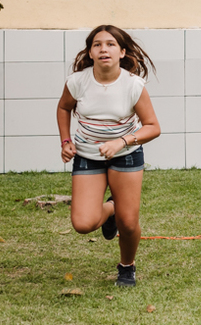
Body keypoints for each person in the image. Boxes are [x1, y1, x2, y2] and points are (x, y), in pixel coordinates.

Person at [57, 25, 160, 288]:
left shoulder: (133, 85)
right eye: (98, 44)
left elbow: (152, 127)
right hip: (88, 155)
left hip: (125, 155)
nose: (104, 49)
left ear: (122, 52)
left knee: (128, 223)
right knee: (83, 223)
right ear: (90, 52)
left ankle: (127, 266)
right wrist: (66, 141)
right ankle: (111, 208)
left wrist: (121, 141)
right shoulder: (77, 82)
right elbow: (63, 107)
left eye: (111, 44)